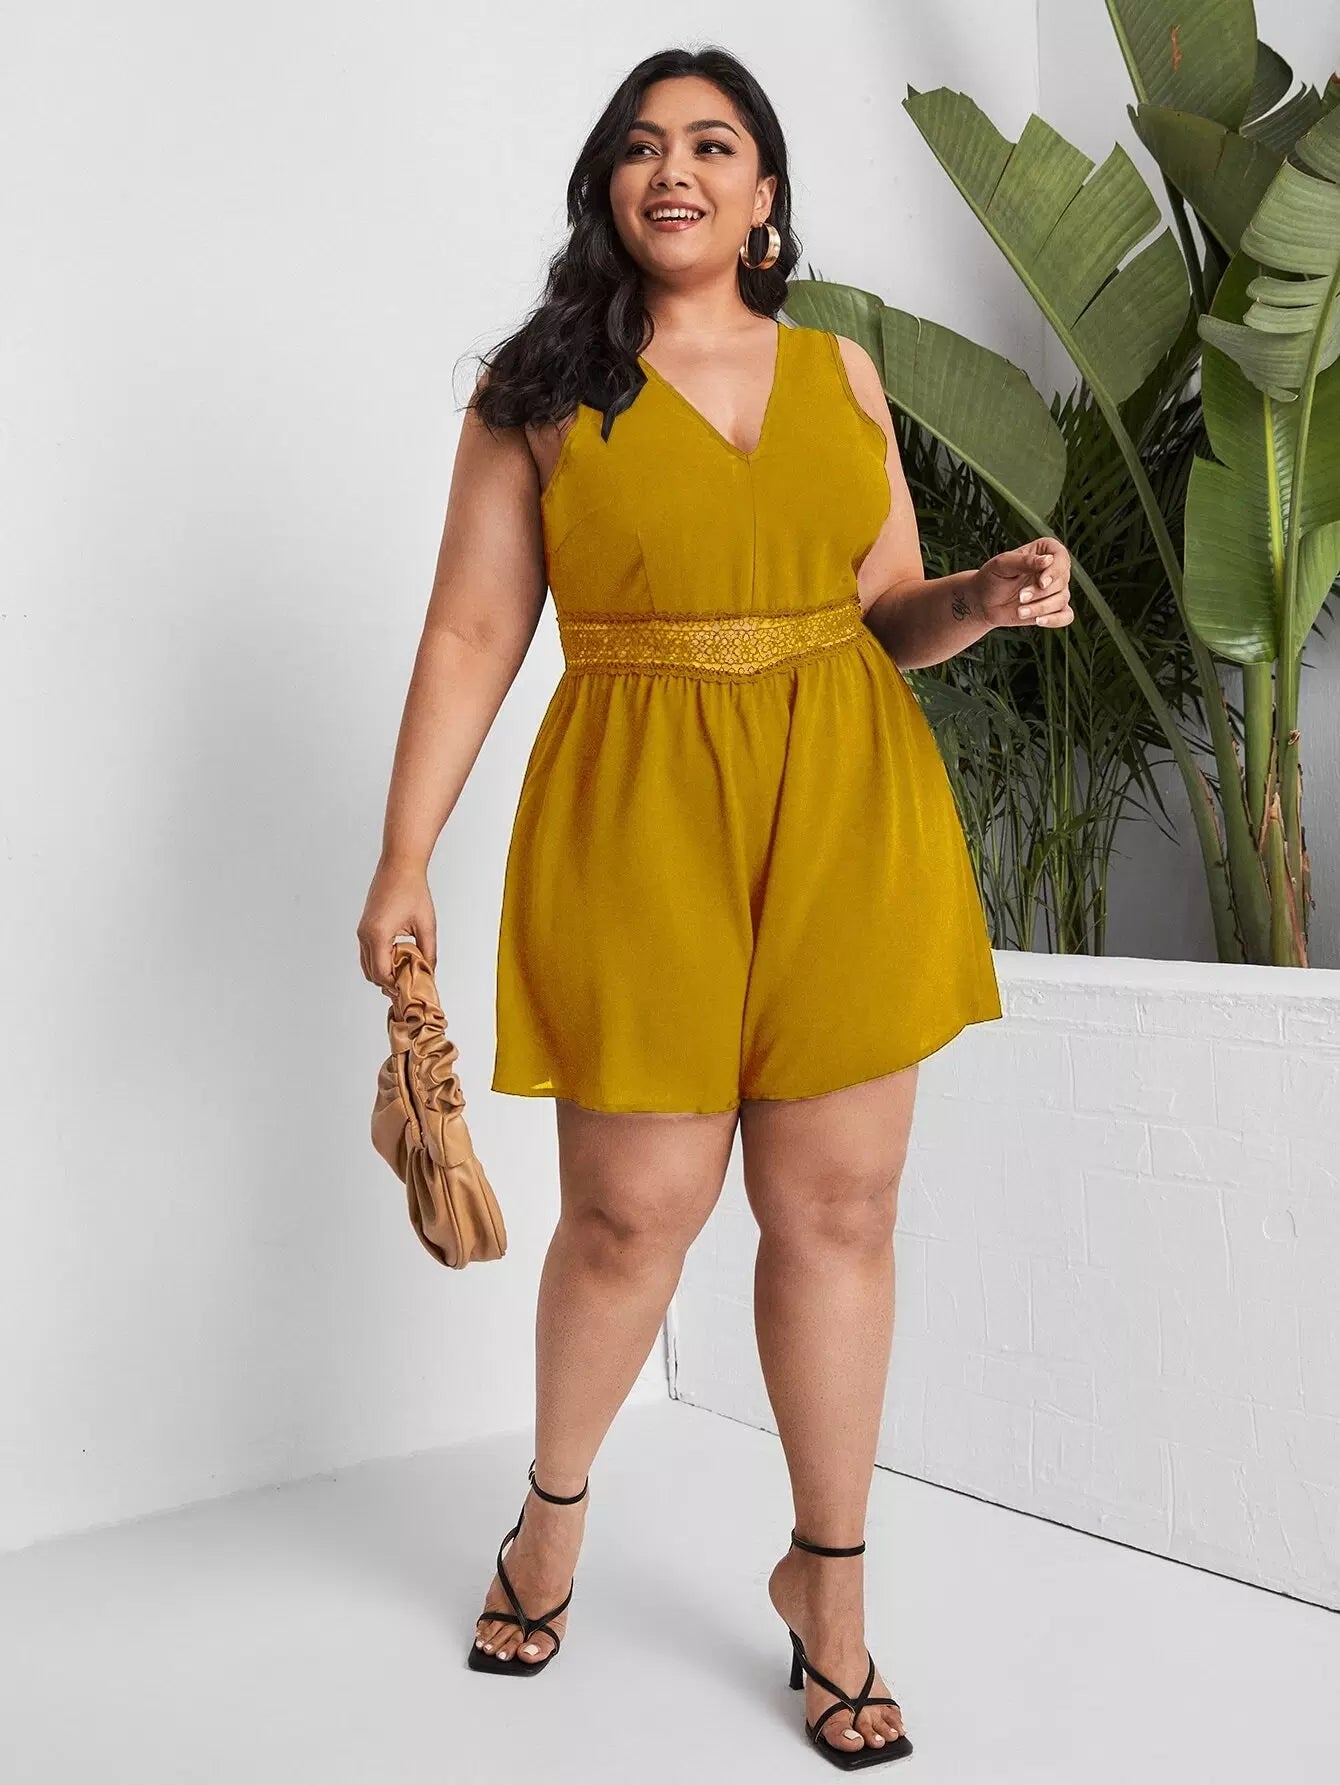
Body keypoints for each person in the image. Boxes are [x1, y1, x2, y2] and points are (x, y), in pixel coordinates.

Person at [357, 43, 1073, 1769]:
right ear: (609, 190)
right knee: (631, 1218)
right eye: (641, 146)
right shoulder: (542, 392)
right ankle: (551, 1513)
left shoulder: (842, 374)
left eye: (713, 142)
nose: (673, 168)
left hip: (847, 819)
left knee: (840, 1214)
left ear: (764, 194)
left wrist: (980, 594)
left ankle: (830, 1587)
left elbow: (886, 611)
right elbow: (471, 633)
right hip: (639, 826)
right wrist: (402, 854)